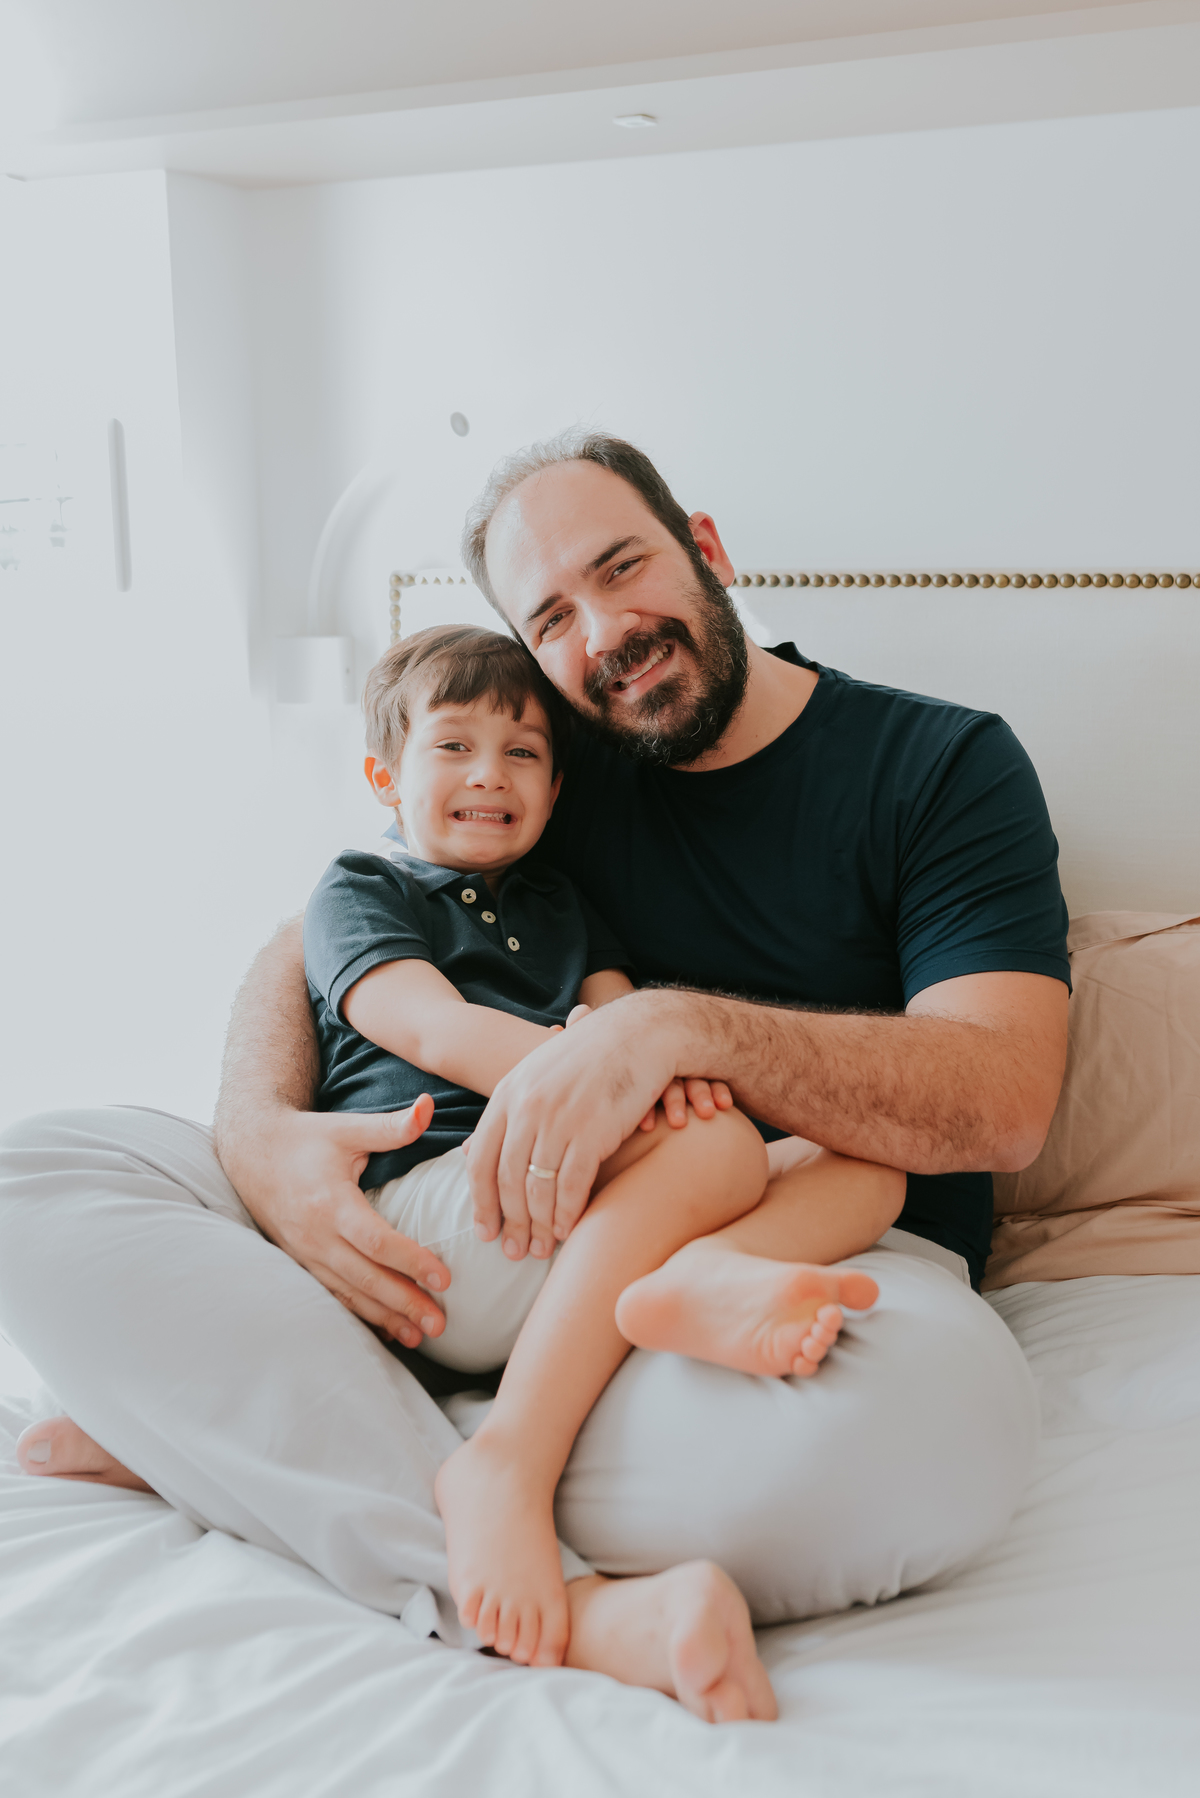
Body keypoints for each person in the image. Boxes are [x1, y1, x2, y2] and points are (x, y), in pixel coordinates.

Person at [0, 429, 1063, 1727]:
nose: (607, 631)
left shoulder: (940, 766)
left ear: (709, 549)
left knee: (935, 1442)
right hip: (490, 1206)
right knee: (37, 1174)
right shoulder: (559, 758)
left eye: (625, 567)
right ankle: (490, 1501)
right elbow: (321, 933)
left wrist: (678, 1034)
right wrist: (265, 1134)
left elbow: (1004, 1096)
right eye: (553, 614)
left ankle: (268, 1431)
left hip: (788, 1255)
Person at [305, 622, 890, 1670]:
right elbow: (439, 1030)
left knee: (870, 1161)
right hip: (443, 1199)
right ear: (382, 774)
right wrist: (606, 1081)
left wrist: (636, 1071)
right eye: (454, 746)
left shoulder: (562, 902)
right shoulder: (361, 890)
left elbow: (630, 1020)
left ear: (557, 789)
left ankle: (704, 1270)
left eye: (523, 752)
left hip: (564, 1195)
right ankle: (504, 1460)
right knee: (712, 1150)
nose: (490, 773)